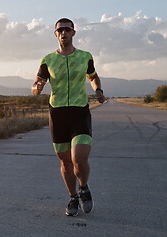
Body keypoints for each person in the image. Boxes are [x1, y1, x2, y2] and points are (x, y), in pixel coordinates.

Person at [32, 18, 106, 217]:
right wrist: (37, 88)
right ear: (55, 34)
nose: (63, 32)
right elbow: (37, 82)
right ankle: (73, 197)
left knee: (79, 159)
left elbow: (93, 76)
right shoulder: (48, 59)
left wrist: (98, 90)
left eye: (67, 29)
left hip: (79, 111)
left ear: (73, 32)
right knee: (65, 162)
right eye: (60, 30)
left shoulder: (84, 56)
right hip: (58, 113)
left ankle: (83, 188)